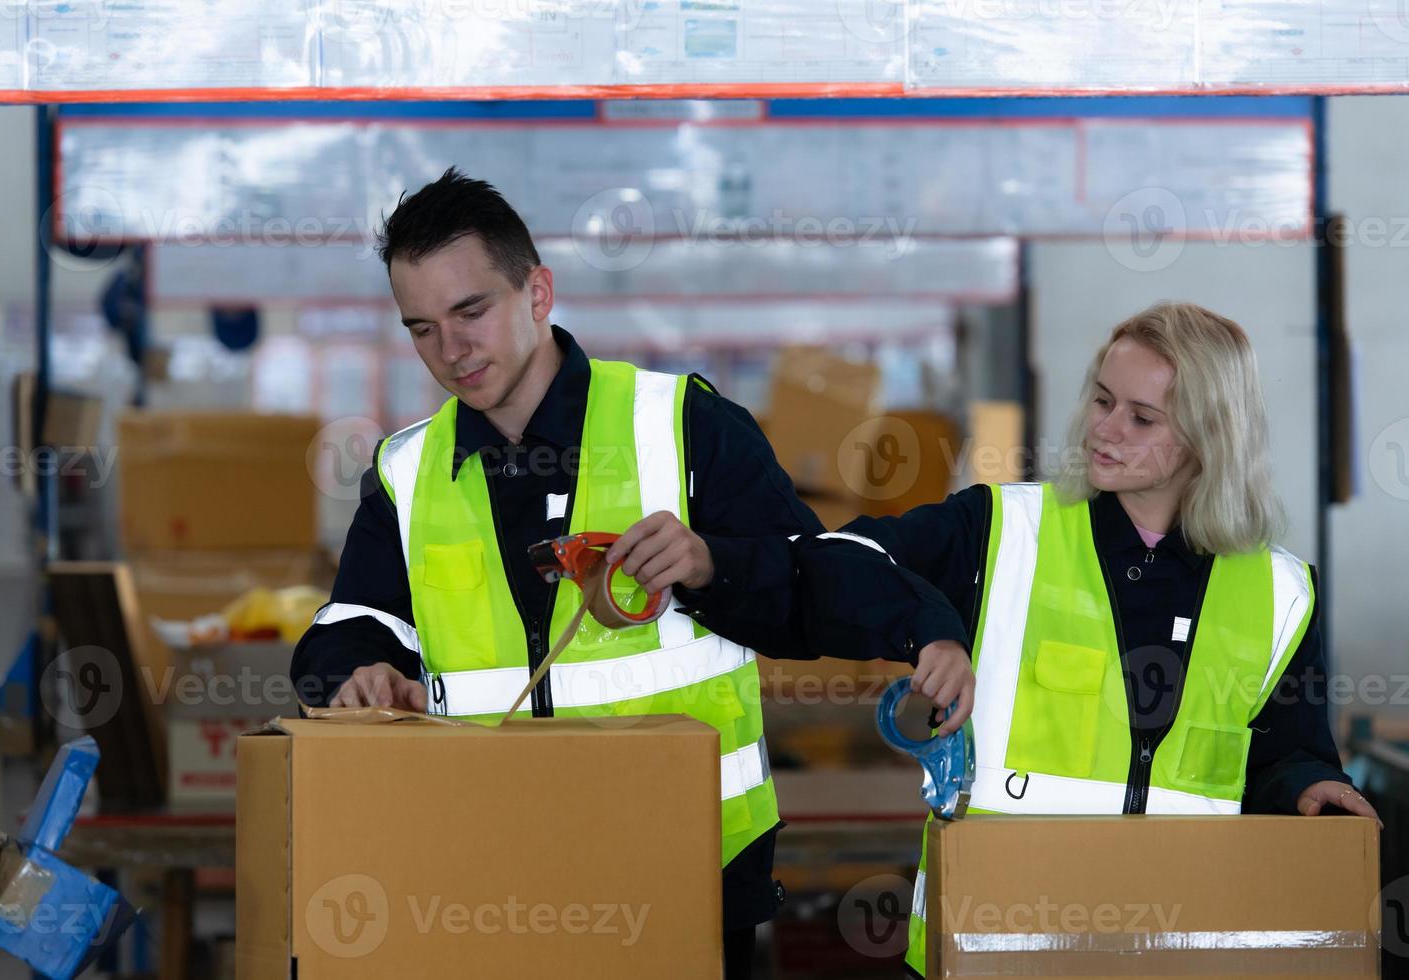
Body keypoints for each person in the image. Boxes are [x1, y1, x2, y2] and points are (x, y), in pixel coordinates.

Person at [288, 168, 953, 972]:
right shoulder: (407, 471)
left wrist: (714, 565)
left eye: (471, 311)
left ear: (538, 293)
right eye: (421, 327)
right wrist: (359, 669)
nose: (450, 350)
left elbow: (811, 588)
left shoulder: (683, 425)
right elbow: (352, 620)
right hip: (487, 871)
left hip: (686, 862)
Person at [698, 302, 1381, 977]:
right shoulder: (1000, 530)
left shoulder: (1282, 591)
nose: (1105, 430)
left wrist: (1309, 786)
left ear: (1209, 437)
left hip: (1174, 949)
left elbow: (1281, 754)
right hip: (995, 942)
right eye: (1103, 401)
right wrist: (925, 625)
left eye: (1141, 417)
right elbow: (831, 561)